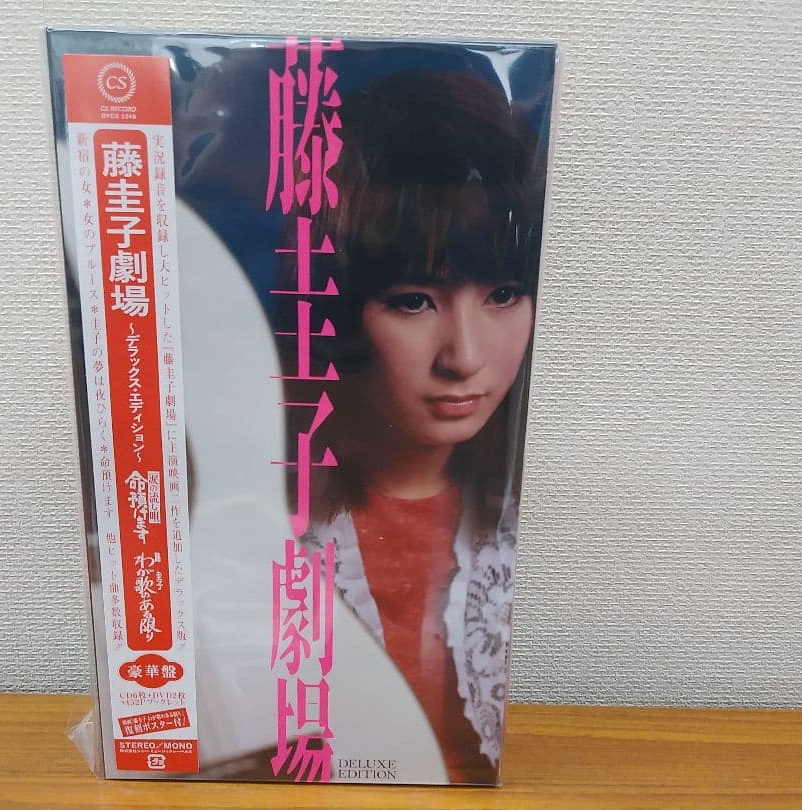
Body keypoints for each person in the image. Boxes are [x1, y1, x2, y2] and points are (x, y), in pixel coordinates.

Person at [280, 69, 547, 784]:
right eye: (412, 300)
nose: (465, 357)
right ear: (338, 311)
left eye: (504, 294)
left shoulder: (525, 515)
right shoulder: (266, 516)